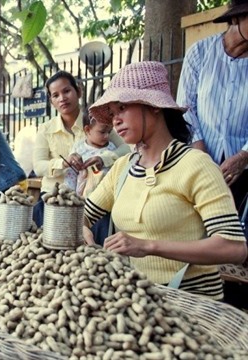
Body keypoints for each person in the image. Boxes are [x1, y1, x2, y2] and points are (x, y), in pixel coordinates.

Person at [85, 61, 247, 300]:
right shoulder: (123, 168)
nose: (115, 120)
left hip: (193, 303)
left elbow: (233, 248)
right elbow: (82, 214)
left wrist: (148, 246)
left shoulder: (196, 165)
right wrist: (84, 233)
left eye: (122, 107)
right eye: (112, 113)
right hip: (139, 299)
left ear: (154, 107)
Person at [176, 0, 248, 213]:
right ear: (235, 19)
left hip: (244, 169)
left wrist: (243, 157)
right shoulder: (200, 52)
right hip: (200, 161)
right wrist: (203, 160)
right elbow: (185, 108)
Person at [32, 70, 128, 227]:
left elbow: (125, 150)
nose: (62, 98)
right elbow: (38, 166)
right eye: (55, 95)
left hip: (94, 197)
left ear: (79, 92)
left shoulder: (97, 122)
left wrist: (103, 158)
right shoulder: (45, 129)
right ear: (51, 101)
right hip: (55, 196)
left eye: (67, 91)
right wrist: (63, 163)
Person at [64, 113, 117, 199]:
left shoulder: (111, 148)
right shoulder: (78, 148)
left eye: (109, 132)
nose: (107, 136)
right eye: (102, 132)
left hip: (105, 197)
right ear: (87, 130)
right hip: (82, 198)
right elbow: (71, 173)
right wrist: (70, 194)